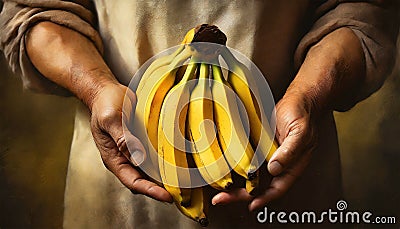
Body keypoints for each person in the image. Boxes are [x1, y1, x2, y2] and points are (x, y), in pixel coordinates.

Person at [0, 0, 398, 228]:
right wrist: (96, 88)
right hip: (120, 177)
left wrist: (309, 94)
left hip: (283, 167)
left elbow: (362, 11)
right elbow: (35, 12)